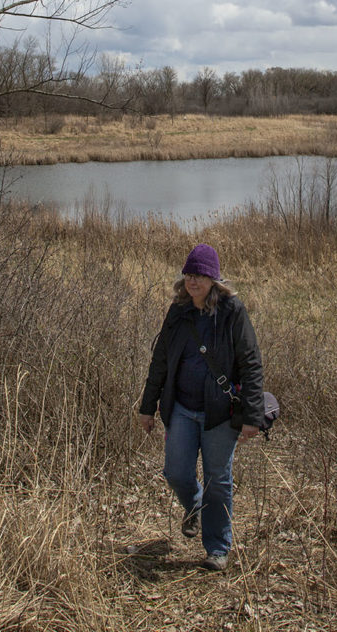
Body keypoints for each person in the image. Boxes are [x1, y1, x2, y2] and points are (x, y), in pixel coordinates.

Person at [139, 243, 264, 571]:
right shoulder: (178, 312)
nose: (193, 281)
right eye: (189, 274)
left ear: (214, 279)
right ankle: (195, 503)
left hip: (219, 413)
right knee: (176, 471)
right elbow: (161, 360)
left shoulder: (232, 311)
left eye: (201, 275)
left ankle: (217, 548)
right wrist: (147, 406)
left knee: (217, 479)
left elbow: (250, 362)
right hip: (181, 407)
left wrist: (251, 415)